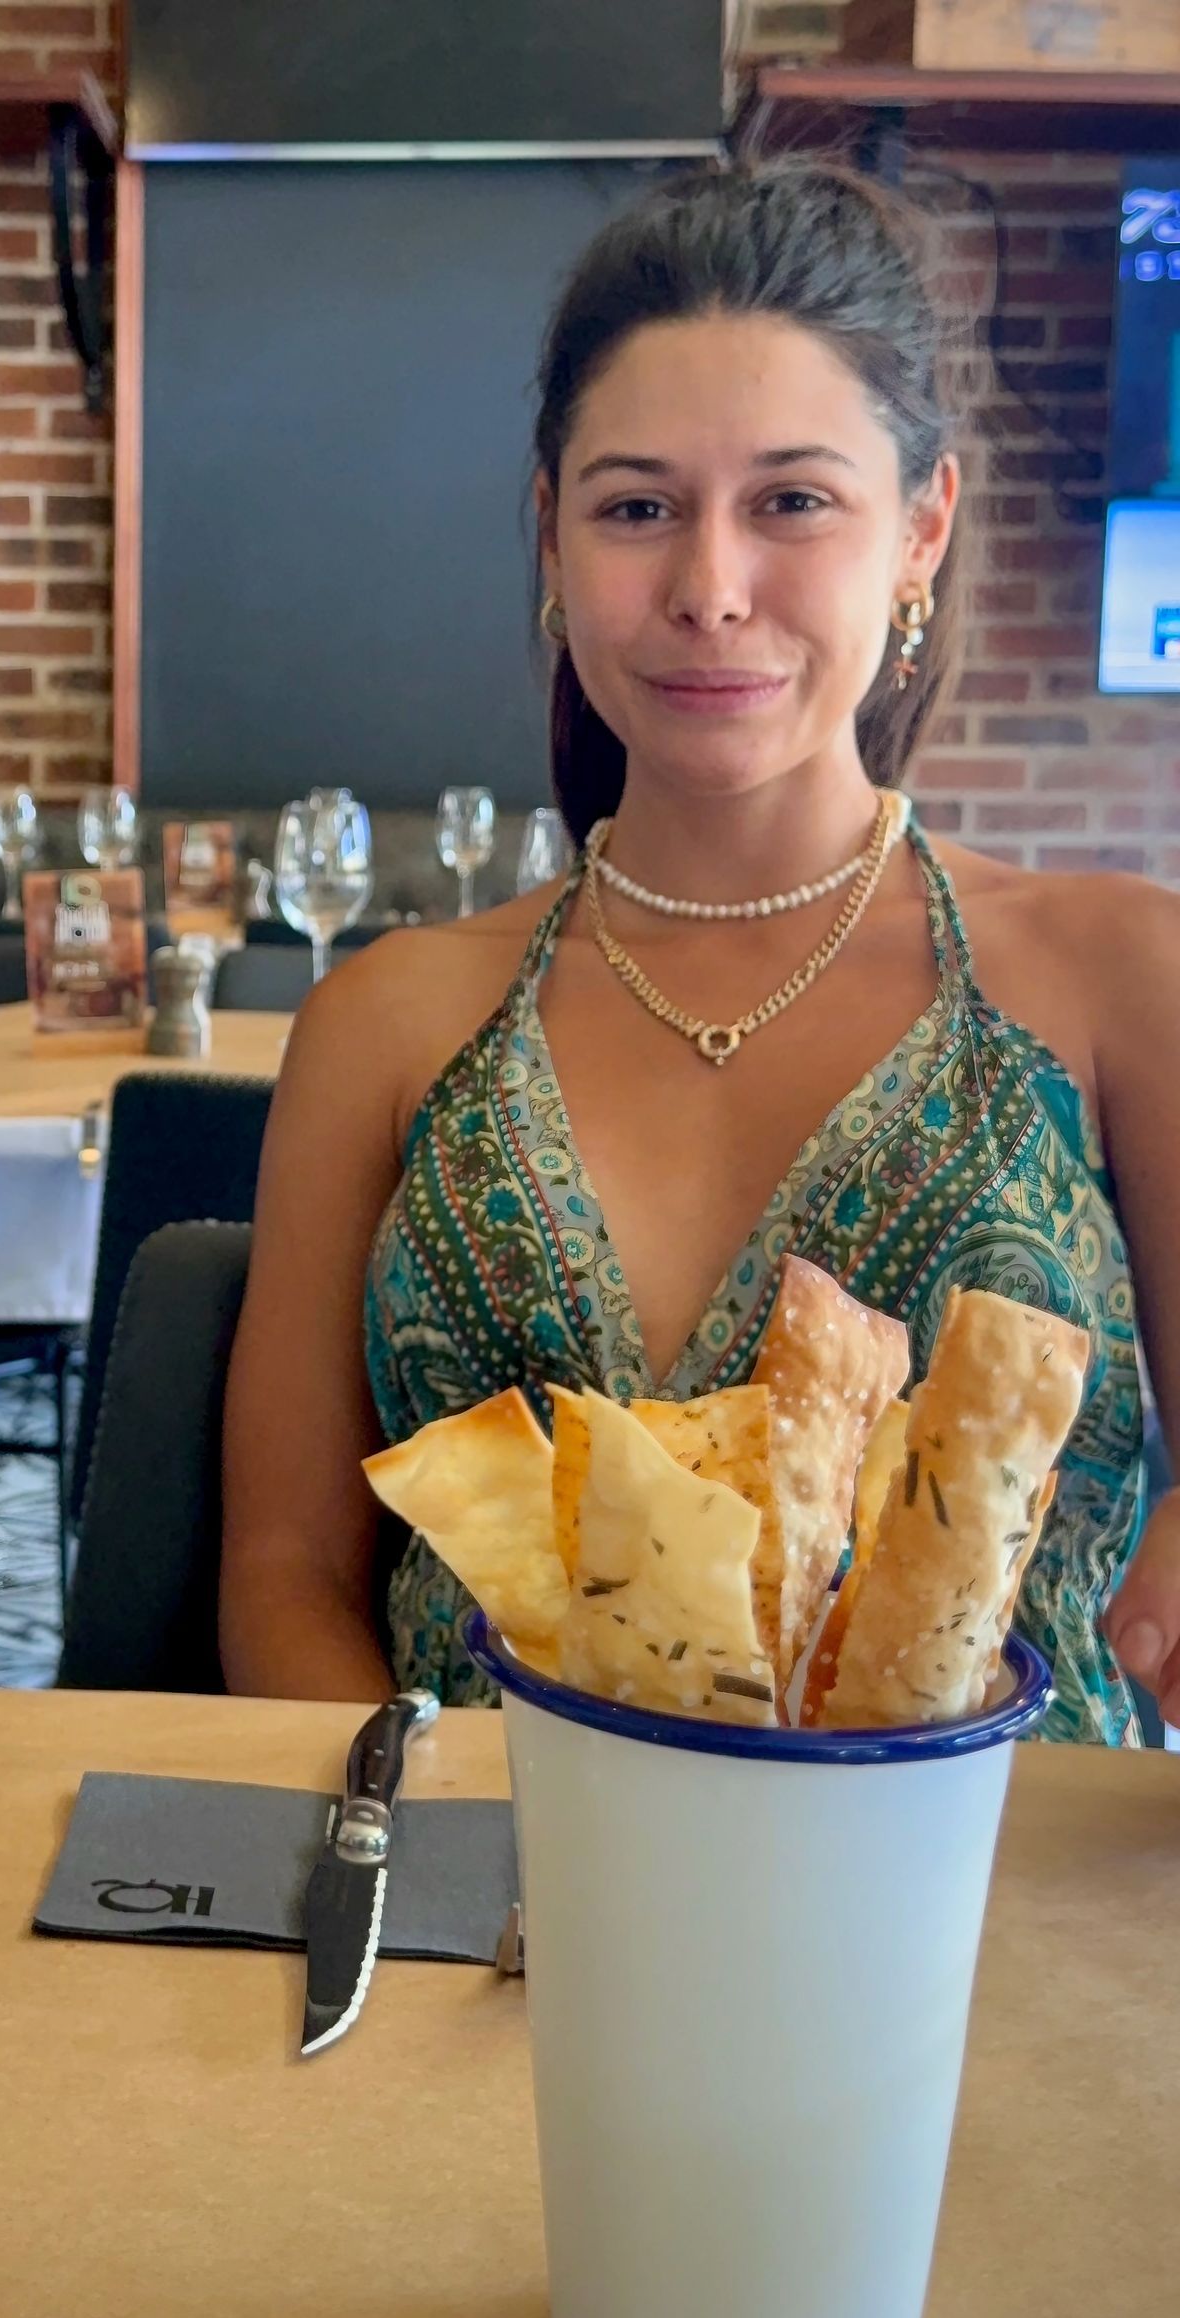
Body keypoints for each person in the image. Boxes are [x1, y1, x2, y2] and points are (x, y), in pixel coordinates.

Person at [218, 159, 1180, 1745]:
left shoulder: (1118, 981)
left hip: (981, 1937)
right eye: (637, 507)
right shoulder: (387, 1022)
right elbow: (282, 1575)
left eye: (793, 501)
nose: (709, 589)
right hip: (481, 1938)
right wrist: (472, 1873)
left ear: (921, 528)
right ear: (551, 537)